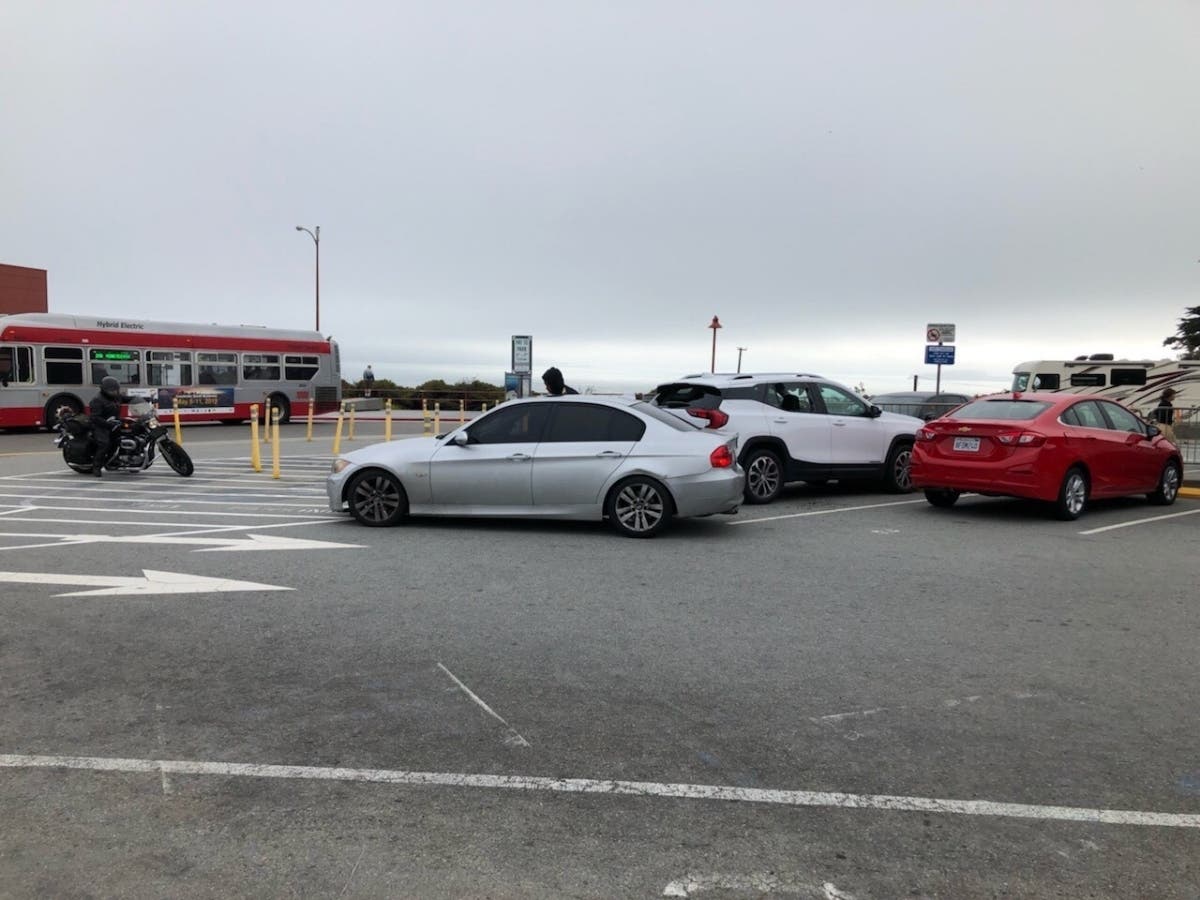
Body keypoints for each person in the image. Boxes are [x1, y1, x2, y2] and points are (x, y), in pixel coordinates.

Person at [87, 376, 137, 477]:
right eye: (112, 391)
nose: (115, 392)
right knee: (104, 444)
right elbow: (94, 418)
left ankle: (113, 461)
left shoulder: (117, 397)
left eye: (116, 390)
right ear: (105, 390)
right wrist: (108, 424)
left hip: (114, 424)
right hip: (100, 426)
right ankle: (96, 467)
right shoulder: (97, 400)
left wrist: (143, 399)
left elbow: (128, 399)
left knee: (121, 439)